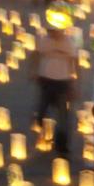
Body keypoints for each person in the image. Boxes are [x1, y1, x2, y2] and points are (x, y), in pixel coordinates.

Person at [32, 23, 78, 156]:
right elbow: (36, 55)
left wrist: (75, 85)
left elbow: (75, 63)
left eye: (55, 31)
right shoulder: (45, 41)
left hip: (63, 83)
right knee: (41, 111)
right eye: (51, 31)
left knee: (63, 117)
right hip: (46, 81)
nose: (53, 33)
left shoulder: (69, 43)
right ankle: (42, 127)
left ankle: (62, 146)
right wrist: (33, 70)